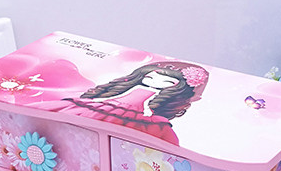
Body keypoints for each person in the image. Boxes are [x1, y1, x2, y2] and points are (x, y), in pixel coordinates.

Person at [42, 61, 209, 144]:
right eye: (151, 75)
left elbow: (147, 106)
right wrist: (94, 101)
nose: (154, 80)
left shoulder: (156, 100)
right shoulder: (134, 86)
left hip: (135, 114)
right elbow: (117, 95)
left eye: (167, 81)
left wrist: (148, 114)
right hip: (106, 106)